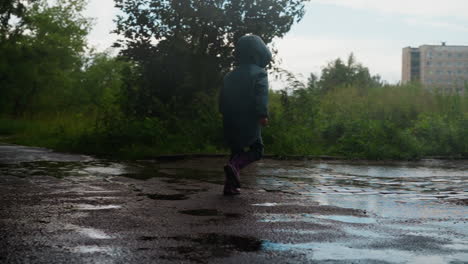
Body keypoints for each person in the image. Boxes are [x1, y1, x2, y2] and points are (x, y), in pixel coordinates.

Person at [219, 34, 271, 195]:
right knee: (257, 150)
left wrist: (224, 113)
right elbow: (260, 95)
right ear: (259, 53)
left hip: (230, 119)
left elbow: (222, 97)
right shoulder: (259, 73)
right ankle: (235, 167)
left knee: (236, 151)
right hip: (249, 119)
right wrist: (262, 114)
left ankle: (230, 186)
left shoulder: (230, 75)